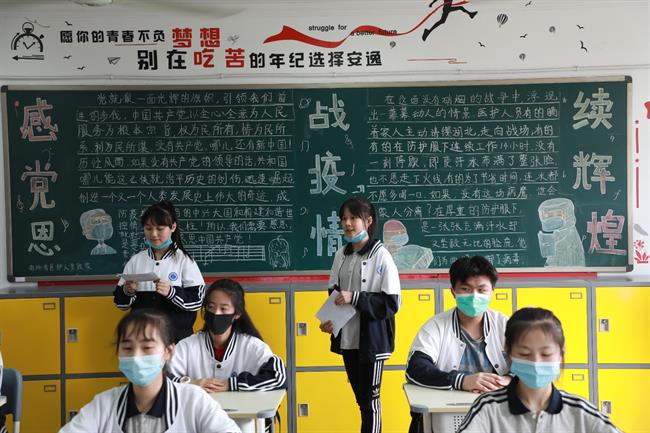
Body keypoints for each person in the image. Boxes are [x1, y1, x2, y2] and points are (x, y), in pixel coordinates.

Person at [59, 309, 240, 433]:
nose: (136, 356)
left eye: (147, 348)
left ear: (168, 352)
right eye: (127, 348)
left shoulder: (194, 400)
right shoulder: (103, 404)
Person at [458, 307, 622, 432]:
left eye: (546, 354)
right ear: (508, 352)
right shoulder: (488, 408)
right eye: (524, 354)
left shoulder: (580, 413)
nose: (536, 362)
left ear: (561, 353)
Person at [319, 196, 401, 433]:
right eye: (344, 218)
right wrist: (330, 322)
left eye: (354, 217)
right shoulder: (341, 255)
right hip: (348, 339)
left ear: (368, 221)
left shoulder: (380, 255)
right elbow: (335, 294)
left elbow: (391, 303)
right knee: (362, 401)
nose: (347, 223)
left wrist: (355, 297)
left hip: (371, 341)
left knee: (371, 402)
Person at [406, 255, 510, 433]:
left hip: (496, 416)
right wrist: (462, 381)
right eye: (466, 289)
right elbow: (415, 368)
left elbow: (531, 363)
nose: (474, 296)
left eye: (482, 290)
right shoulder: (436, 326)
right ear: (453, 291)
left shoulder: (505, 325)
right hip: (446, 416)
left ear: (493, 291)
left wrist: (509, 379)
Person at [168, 279, 286, 433]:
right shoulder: (187, 345)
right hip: (199, 423)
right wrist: (190, 383)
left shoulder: (252, 346)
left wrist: (232, 384)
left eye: (224, 309)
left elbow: (279, 377)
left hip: (243, 424)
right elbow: (159, 379)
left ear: (237, 314)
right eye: (211, 307)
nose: (216, 313)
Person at [113, 200, 205, 342]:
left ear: (173, 227)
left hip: (177, 341)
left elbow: (197, 300)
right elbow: (120, 303)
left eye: (160, 228)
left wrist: (171, 292)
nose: (154, 234)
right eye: (148, 228)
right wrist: (127, 291)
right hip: (143, 338)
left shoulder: (184, 261)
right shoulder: (136, 260)